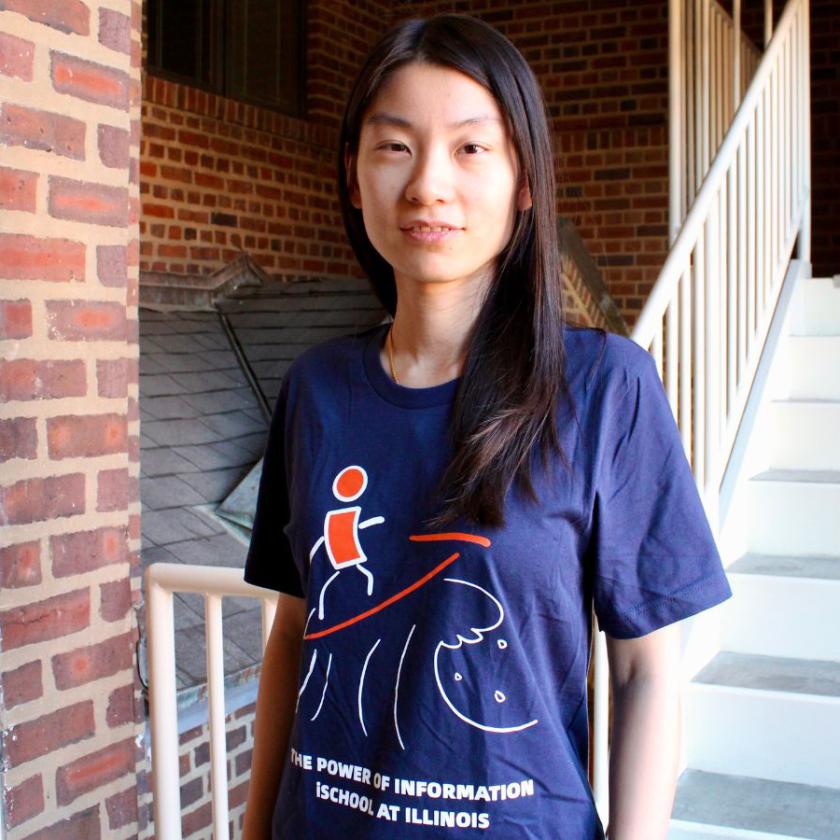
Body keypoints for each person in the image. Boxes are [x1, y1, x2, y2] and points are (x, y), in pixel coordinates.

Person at [242, 13, 732, 840]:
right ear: (354, 176)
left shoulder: (605, 388)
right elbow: (294, 635)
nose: (429, 183)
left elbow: (647, 670)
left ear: (525, 181)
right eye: (394, 145)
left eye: (472, 148)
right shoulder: (316, 390)